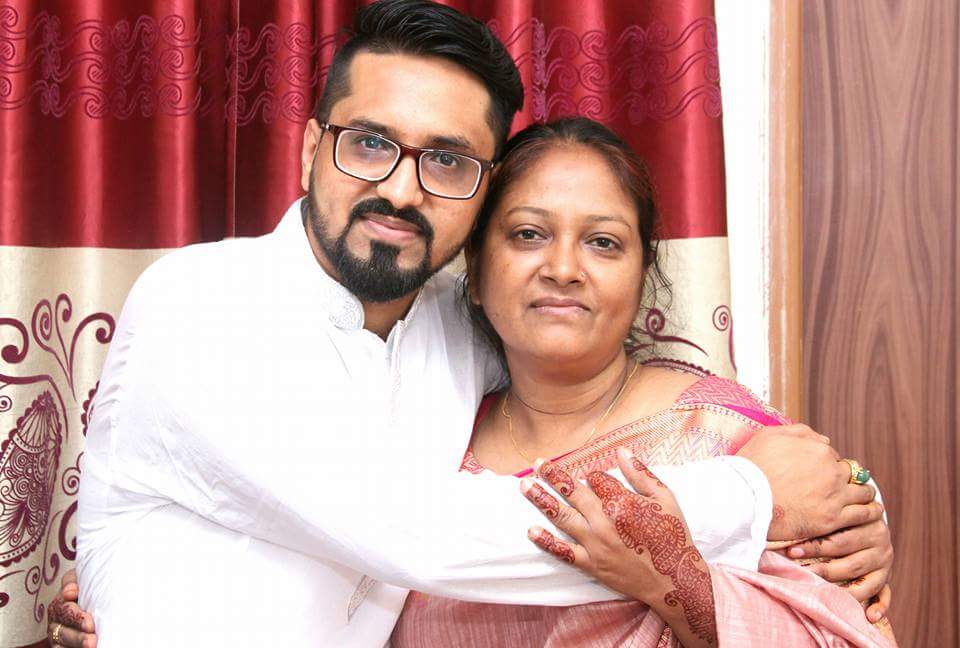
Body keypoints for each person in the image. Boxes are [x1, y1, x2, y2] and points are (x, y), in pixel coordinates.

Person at [46, 1, 892, 646]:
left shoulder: (460, 323)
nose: (400, 190)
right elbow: (424, 535)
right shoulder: (202, 309)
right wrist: (757, 500)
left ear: (480, 189)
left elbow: (619, 402)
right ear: (309, 148)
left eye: (446, 160)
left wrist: (854, 505)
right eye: (368, 143)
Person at [388, 117, 896, 646]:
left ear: (642, 273)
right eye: (529, 234)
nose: (563, 268)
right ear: (475, 267)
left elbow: (851, 635)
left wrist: (681, 588)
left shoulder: (729, 439)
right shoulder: (428, 440)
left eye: (603, 242)